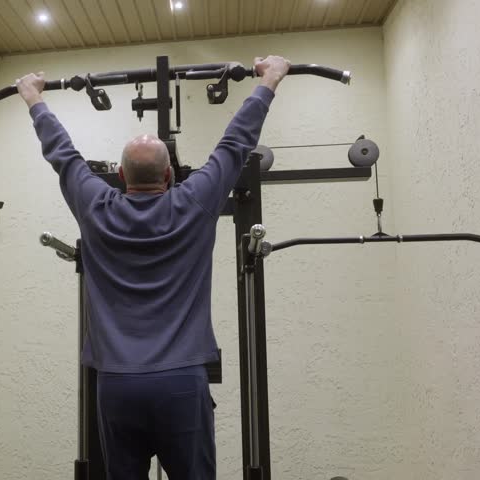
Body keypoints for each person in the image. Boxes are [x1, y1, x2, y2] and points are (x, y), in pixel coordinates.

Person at [15, 55, 291, 480]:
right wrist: (269, 80)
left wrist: (34, 99)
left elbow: (63, 155)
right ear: (171, 176)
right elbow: (235, 144)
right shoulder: (194, 201)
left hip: (116, 385)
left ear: (122, 176)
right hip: (180, 382)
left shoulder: (95, 206)